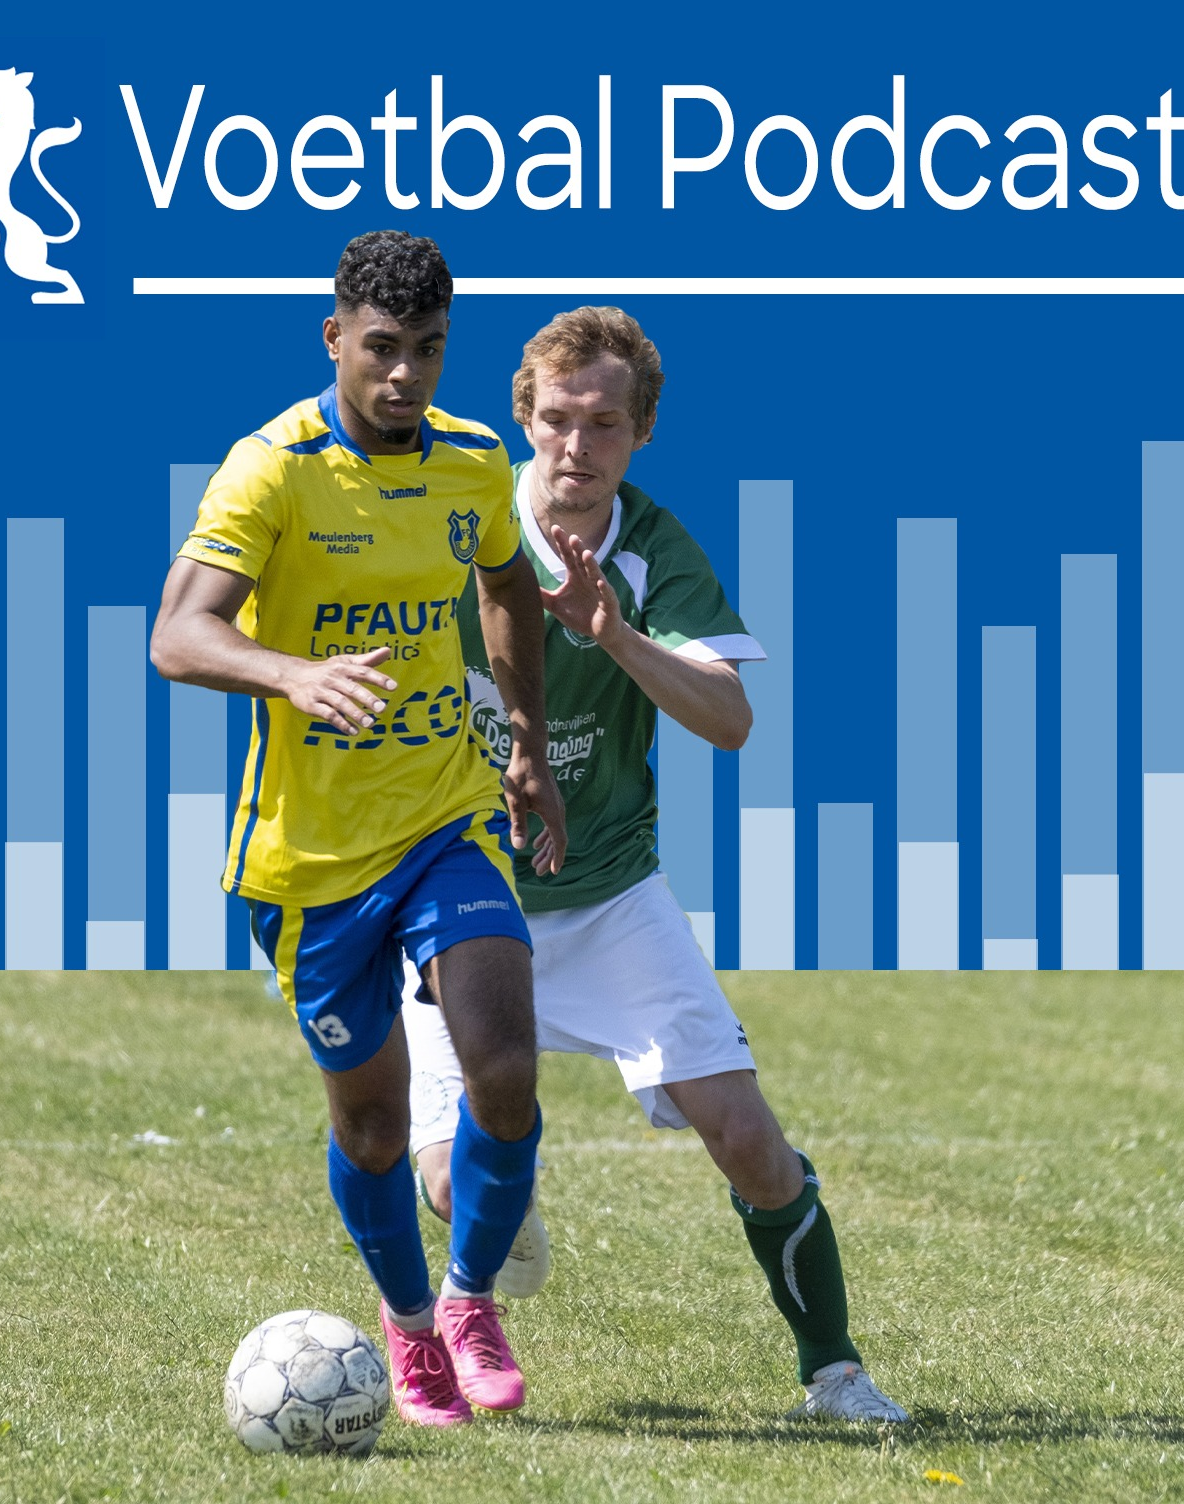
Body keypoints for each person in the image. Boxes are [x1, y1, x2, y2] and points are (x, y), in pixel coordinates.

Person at [401, 305, 909, 1424]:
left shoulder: (652, 550)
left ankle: (834, 1372)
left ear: (640, 433)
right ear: (523, 416)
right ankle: (494, 1221)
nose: (577, 446)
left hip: (609, 893)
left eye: (605, 424)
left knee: (751, 1142)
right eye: (557, 418)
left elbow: (730, 720)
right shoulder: (457, 522)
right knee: (447, 1174)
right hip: (461, 891)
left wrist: (614, 634)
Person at [150, 231, 567, 1428]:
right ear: (334, 337)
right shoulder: (272, 470)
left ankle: (471, 1299)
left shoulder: (474, 462)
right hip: (309, 859)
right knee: (375, 1124)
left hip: (443, 814)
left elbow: (506, 584)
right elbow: (178, 634)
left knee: (503, 1066)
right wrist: (294, 672)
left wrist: (526, 741)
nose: (404, 375)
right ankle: (410, 1322)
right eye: (381, 348)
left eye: (427, 350)